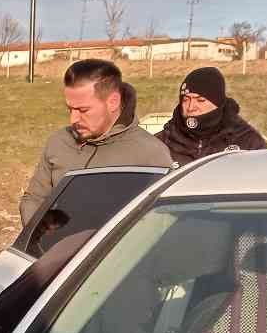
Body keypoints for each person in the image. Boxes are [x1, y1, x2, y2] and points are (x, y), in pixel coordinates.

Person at [20, 58, 171, 226]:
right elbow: (34, 198)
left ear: (113, 102)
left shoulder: (151, 154)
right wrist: (38, 236)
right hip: (55, 249)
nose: (73, 119)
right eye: (70, 109)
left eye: (83, 110)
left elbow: (161, 220)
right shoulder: (59, 142)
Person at [157, 66, 267, 164]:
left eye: (200, 100)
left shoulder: (248, 141)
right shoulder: (162, 141)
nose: (191, 107)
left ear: (218, 103)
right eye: (186, 100)